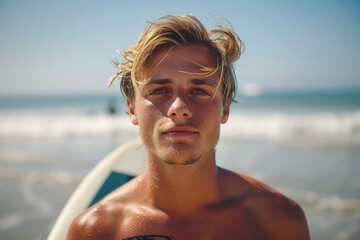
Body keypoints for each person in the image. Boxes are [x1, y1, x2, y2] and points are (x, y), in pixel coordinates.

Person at [67, 14, 310, 240]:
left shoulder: (277, 220)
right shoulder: (97, 230)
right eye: (159, 90)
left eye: (200, 91)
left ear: (225, 107)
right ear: (132, 108)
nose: (179, 107)